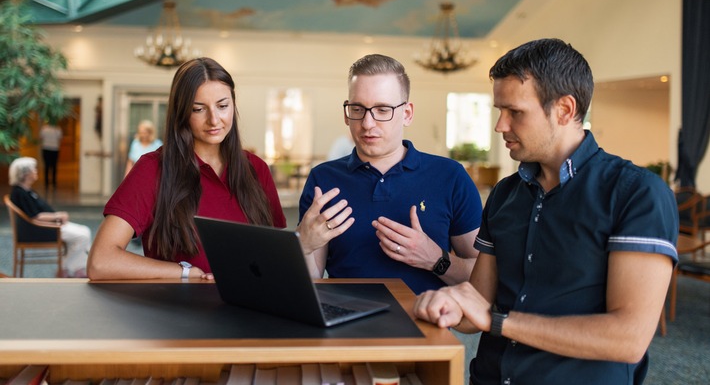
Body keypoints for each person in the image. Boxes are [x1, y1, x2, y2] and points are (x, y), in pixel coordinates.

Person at [413, 38, 679, 384]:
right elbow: (477, 303)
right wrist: (447, 303)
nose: (500, 126)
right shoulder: (506, 194)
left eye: (515, 113)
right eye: (499, 111)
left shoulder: (637, 193)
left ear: (565, 110)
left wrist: (498, 322)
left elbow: (628, 339)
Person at [296, 54, 483, 295]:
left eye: (382, 109)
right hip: (343, 326)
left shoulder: (451, 176)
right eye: (357, 109)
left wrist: (436, 259)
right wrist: (303, 246)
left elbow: (482, 278)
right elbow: (311, 280)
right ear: (346, 112)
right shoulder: (323, 179)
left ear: (407, 113)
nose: (367, 123)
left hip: (425, 326)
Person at [87, 57, 287, 280]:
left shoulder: (256, 168)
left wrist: (307, 241)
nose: (214, 119)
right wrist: (185, 273)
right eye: (198, 109)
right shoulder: (153, 169)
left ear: (233, 105)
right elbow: (100, 261)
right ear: (182, 113)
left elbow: (274, 255)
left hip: (248, 307)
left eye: (222, 106)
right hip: (180, 308)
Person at [9, 157, 90, 278]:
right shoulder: (20, 193)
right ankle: (68, 269)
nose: (36, 171)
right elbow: (35, 216)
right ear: (25, 173)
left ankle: (72, 268)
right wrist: (57, 216)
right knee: (82, 236)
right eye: (34, 169)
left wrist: (56, 217)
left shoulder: (27, 190)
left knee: (84, 230)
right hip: (41, 230)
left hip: (48, 226)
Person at [39, 122, 62, 189]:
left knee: (46, 165)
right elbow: (60, 138)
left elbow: (41, 138)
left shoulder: (44, 129)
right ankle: (54, 182)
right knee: (54, 166)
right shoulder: (58, 129)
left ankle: (46, 181)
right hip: (55, 149)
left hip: (46, 148)